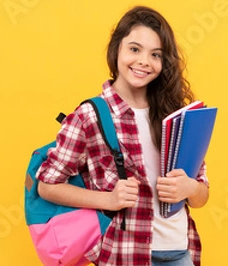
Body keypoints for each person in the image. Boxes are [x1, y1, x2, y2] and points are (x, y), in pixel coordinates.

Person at [36, 5, 210, 266]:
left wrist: (191, 188)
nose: (143, 61)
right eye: (134, 49)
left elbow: (201, 195)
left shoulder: (175, 116)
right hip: (126, 255)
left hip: (180, 251)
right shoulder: (90, 115)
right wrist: (107, 199)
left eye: (156, 55)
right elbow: (47, 185)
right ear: (116, 48)